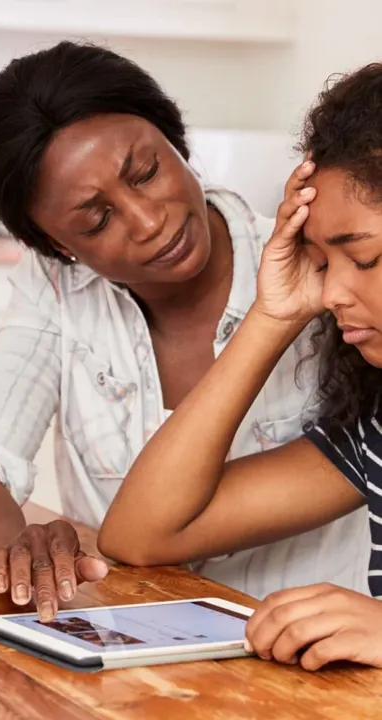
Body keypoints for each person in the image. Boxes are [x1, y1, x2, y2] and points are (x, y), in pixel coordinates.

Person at [0, 41, 369, 622]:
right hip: (130, 643)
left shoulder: (320, 271)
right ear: (58, 246)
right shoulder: (58, 289)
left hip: (303, 655)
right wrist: (17, 549)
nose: (150, 221)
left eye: (147, 172)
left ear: (177, 141)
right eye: (97, 219)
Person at [98, 62, 382, 671]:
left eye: (364, 257)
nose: (331, 297)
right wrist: (273, 317)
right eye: (321, 267)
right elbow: (142, 534)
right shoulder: (376, 435)